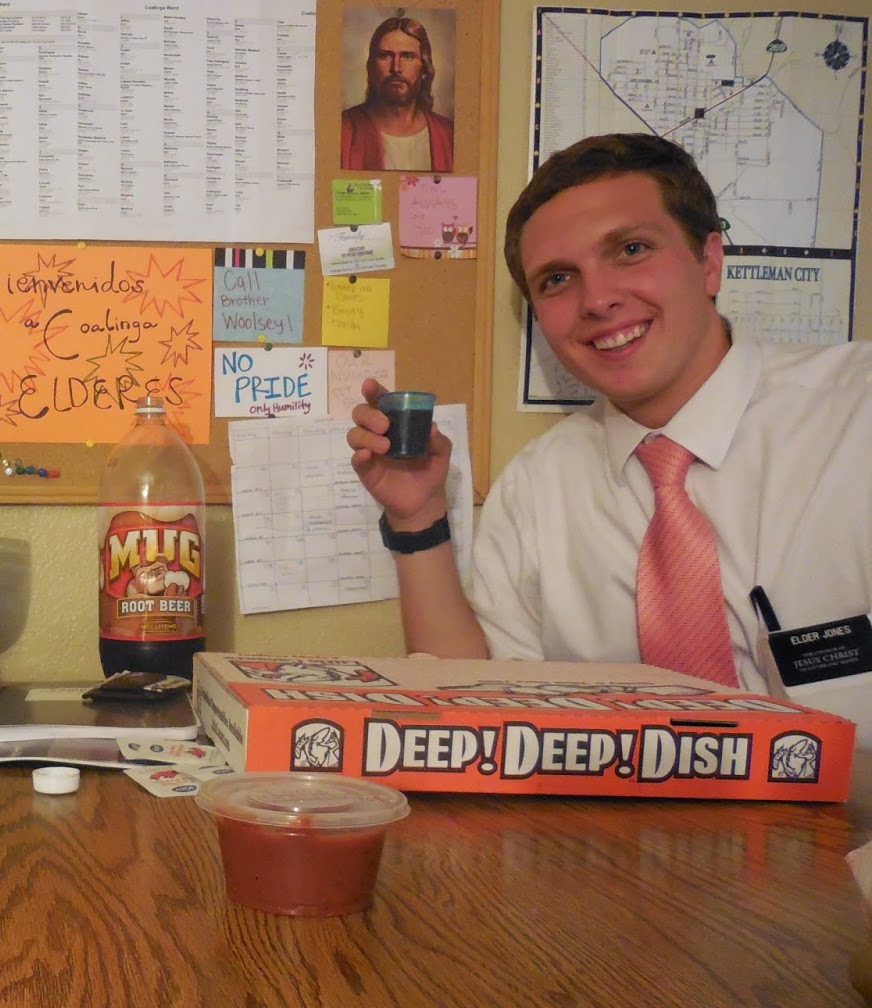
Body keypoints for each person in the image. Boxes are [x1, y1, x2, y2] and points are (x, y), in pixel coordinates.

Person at [348, 132, 872, 744]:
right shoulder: (538, 488)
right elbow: (476, 712)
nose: (597, 299)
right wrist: (418, 518)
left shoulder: (855, 417)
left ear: (709, 261)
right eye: (557, 279)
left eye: (630, 249)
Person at [340, 16, 454, 173]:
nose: (396, 68)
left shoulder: (448, 134)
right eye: (385, 55)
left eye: (408, 56)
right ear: (371, 67)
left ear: (424, 67)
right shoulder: (343, 130)